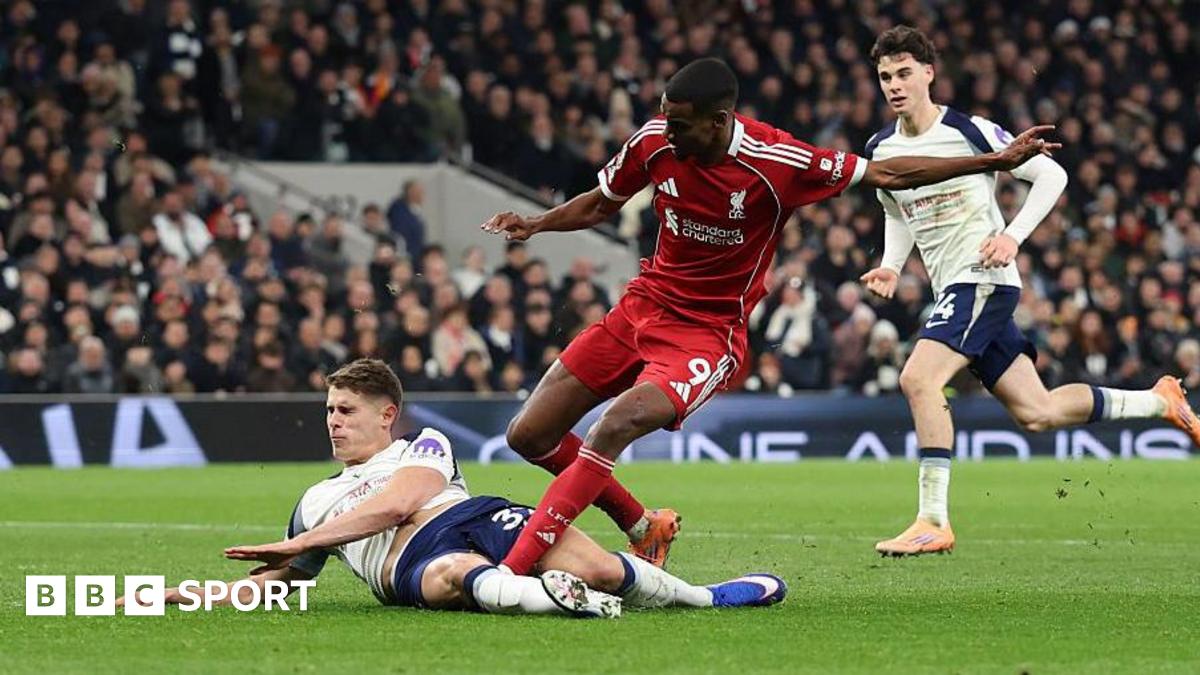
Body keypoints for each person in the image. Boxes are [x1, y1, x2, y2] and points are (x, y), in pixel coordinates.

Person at [479, 57, 1058, 576]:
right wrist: (536, 224)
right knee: (528, 434)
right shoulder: (655, 141)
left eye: (681, 124)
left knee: (615, 424)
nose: (667, 132)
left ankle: (513, 570)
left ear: (719, 120)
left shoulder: (778, 159)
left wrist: (993, 160)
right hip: (640, 308)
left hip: (706, 334)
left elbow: (887, 175)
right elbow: (603, 201)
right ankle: (643, 527)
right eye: (665, 119)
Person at [857, 27, 1200, 557]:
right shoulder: (882, 147)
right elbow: (896, 210)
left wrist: (1011, 237)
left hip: (984, 280)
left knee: (918, 378)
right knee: (1037, 411)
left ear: (929, 73)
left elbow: (1053, 176)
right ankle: (1160, 402)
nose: (894, 85)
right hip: (956, 286)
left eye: (904, 73)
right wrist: (890, 265)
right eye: (885, 77)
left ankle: (932, 519)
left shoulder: (970, 130)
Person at [117, 359, 787, 618]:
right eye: (328, 410)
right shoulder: (311, 500)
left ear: (387, 414)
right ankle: (562, 604)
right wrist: (185, 592)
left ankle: (704, 598)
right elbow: (280, 583)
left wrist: (307, 539)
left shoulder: (425, 449)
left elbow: (399, 503)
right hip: (412, 563)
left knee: (607, 569)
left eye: (346, 410)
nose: (333, 421)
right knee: (452, 574)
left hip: (474, 513)